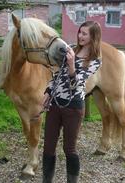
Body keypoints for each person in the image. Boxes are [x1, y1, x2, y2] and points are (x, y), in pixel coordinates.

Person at [42, 21, 102, 183]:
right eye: (79, 32)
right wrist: (48, 91)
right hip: (55, 104)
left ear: (93, 37)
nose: (80, 36)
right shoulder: (70, 50)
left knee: (69, 149)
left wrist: (71, 65)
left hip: (73, 108)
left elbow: (76, 85)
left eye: (85, 34)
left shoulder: (95, 61)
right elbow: (56, 75)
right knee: (48, 148)